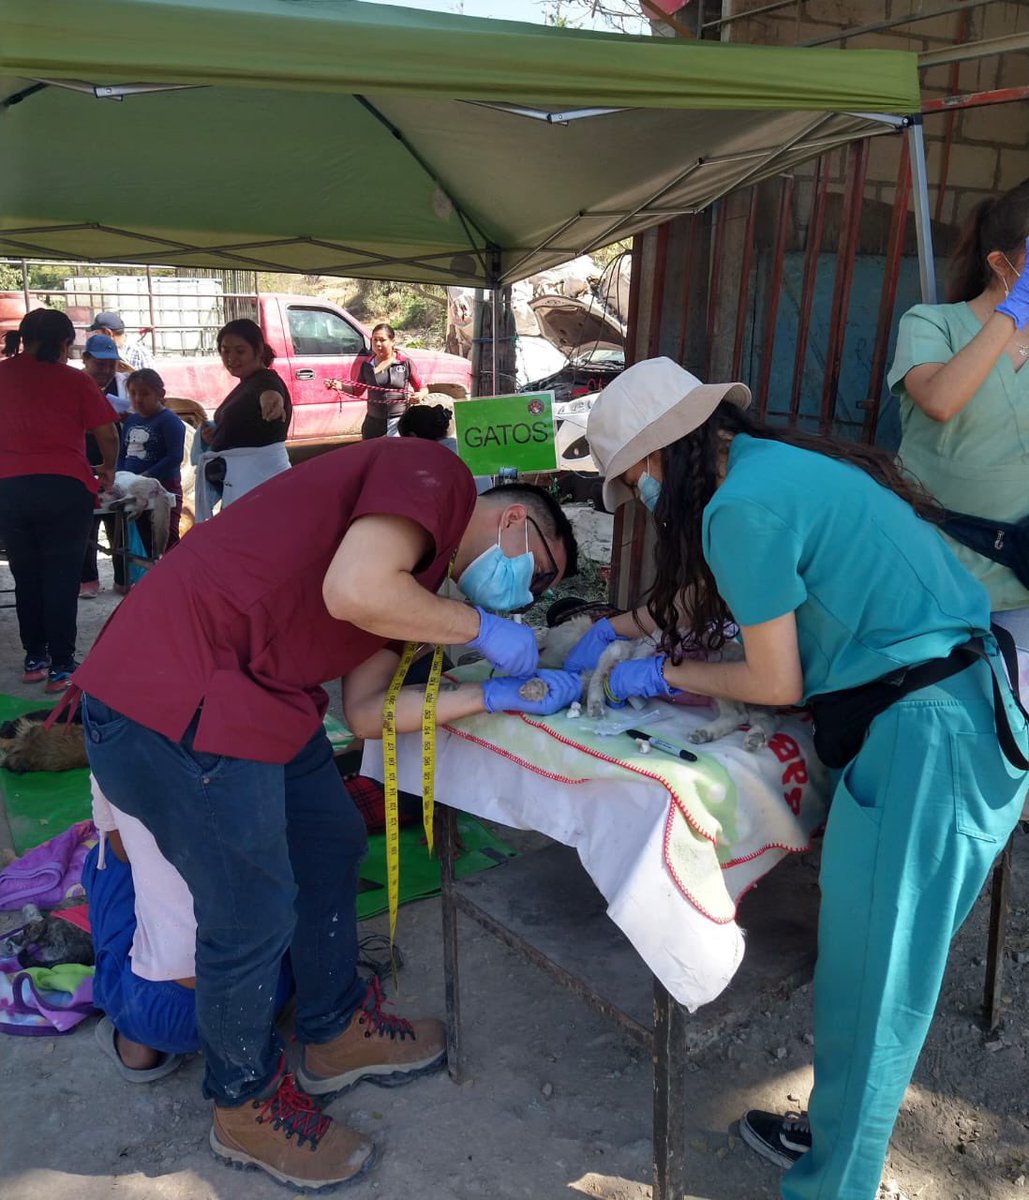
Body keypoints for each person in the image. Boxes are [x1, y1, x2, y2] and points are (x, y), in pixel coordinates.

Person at [69, 437, 579, 1190]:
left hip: (255, 697)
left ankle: (335, 1030)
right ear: (513, 522)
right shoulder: (432, 474)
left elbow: (368, 713)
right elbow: (353, 593)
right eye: (539, 573)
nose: (523, 596)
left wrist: (490, 695)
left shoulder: (418, 584)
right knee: (249, 911)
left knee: (330, 839)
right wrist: (484, 633)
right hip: (172, 696)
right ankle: (242, 1105)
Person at [575, 357, 1028, 1200]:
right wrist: (608, 629)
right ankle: (831, 1142)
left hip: (927, 743)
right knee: (872, 974)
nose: (636, 493)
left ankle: (833, 1185)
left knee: (871, 992)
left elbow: (774, 680)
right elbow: (724, 604)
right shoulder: (775, 471)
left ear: (662, 455)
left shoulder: (740, 507)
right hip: (955, 711)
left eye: (633, 475)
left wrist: (665, 676)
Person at [889, 180, 1029, 686]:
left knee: (1009, 737)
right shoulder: (932, 323)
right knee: (925, 719)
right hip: (932, 579)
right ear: (1002, 263)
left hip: (1020, 586)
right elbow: (942, 400)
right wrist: (1012, 313)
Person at [84, 776, 292, 1083]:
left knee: (106, 862)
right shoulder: (251, 741)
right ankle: (280, 1016)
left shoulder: (110, 742)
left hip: (163, 1014)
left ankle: (135, 1043)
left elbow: (123, 852)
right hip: (265, 991)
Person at [0, 309, 119, 692]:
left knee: (26, 574)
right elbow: (109, 435)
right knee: (61, 577)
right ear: (66, 344)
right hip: (66, 488)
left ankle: (35, 659)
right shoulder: (76, 381)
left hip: (11, 489)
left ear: (23, 338)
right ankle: (62, 667)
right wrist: (107, 471)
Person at [194, 319, 291, 511]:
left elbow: (270, 394)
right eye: (225, 350)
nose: (231, 358)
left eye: (240, 351)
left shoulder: (266, 381)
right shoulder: (247, 382)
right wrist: (218, 433)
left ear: (258, 350)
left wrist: (274, 403)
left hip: (259, 483)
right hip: (242, 484)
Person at [79, 333, 131, 598]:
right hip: (83, 465)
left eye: (112, 365)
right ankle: (88, 580)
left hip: (115, 466)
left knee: (118, 523)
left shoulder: (122, 385)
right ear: (86, 359)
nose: (107, 370)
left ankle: (123, 579)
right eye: (101, 364)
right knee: (86, 525)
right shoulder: (75, 385)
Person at [118, 369, 186, 556]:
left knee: (167, 541)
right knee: (147, 542)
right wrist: (120, 476)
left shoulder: (170, 421)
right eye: (133, 393)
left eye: (145, 393)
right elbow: (122, 454)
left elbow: (174, 457)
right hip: (134, 489)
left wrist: (146, 477)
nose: (138, 399)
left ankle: (177, 581)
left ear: (160, 394)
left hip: (164, 488)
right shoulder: (131, 421)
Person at [351, 323, 429, 440]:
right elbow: (357, 391)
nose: (377, 344)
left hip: (399, 423)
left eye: (382, 340)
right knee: (375, 457)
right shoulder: (366, 365)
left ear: (392, 341)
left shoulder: (404, 363)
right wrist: (338, 385)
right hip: (373, 424)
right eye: (374, 340)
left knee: (397, 457)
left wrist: (420, 395)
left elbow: (423, 388)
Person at [87, 310, 155, 371]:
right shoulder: (102, 352)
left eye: (97, 333)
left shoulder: (140, 354)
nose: (96, 336)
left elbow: (151, 383)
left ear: (108, 332)